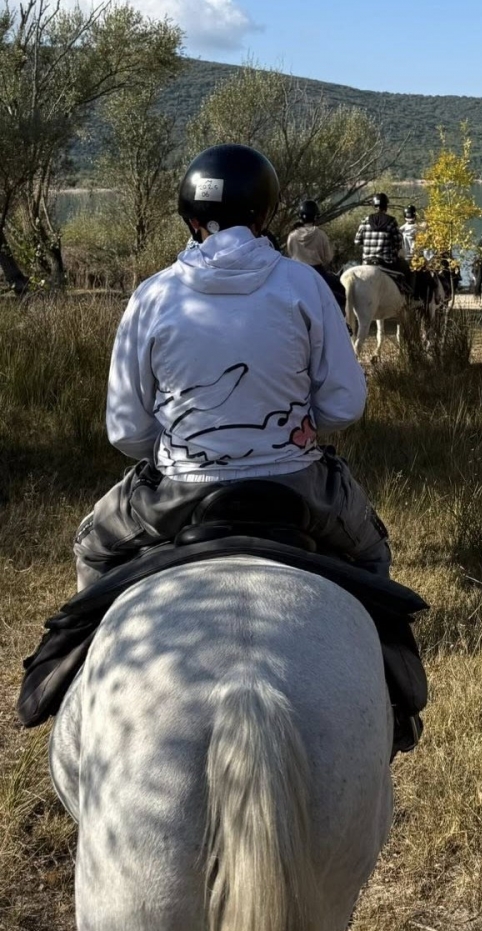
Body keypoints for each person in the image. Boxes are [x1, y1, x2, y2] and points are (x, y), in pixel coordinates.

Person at [70, 143, 423, 753]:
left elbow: (126, 431)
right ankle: (397, 701)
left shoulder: (152, 296)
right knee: (370, 555)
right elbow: (345, 406)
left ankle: (77, 689)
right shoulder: (306, 288)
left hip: (176, 492)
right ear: (265, 214)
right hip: (298, 485)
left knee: (93, 549)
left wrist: (182, 446)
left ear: (189, 217)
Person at [287, 198, 346, 312]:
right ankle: (343, 321)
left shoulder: (292, 235)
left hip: (296, 272)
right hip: (317, 272)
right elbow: (327, 258)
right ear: (315, 216)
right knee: (341, 290)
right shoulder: (320, 234)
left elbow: (290, 254)